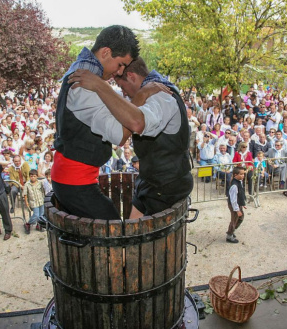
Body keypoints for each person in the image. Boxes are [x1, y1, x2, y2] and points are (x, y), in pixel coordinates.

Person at [70, 57, 193, 217]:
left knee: (145, 240)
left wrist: (100, 86)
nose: (123, 92)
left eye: (122, 86)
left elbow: (136, 123)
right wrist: (141, 94)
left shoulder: (162, 96)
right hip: (150, 182)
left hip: (167, 186)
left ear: (132, 76)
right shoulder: (149, 91)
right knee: (132, 232)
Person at [51, 25, 140, 220]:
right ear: (106, 52)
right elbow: (120, 134)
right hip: (73, 180)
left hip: (76, 177)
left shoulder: (87, 74)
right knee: (112, 231)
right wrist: (139, 101)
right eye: (121, 64)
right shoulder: (85, 85)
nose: (120, 72)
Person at [226, 166, 246, 243]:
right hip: (234, 206)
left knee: (240, 218)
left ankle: (232, 230)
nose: (243, 176)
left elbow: (241, 193)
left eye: (243, 174)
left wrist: (243, 203)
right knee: (234, 220)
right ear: (235, 175)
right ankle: (229, 236)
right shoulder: (234, 185)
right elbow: (233, 199)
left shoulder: (240, 181)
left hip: (238, 204)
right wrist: (237, 210)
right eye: (241, 174)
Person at [23, 169, 45, 234]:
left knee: (41, 214)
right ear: (29, 176)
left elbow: (42, 190)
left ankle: (38, 225)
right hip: (33, 202)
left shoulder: (40, 183)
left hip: (40, 201)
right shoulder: (27, 184)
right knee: (36, 215)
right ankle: (28, 223)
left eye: (34, 176)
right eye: (31, 176)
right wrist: (26, 202)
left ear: (37, 176)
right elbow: (25, 194)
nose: (33, 177)